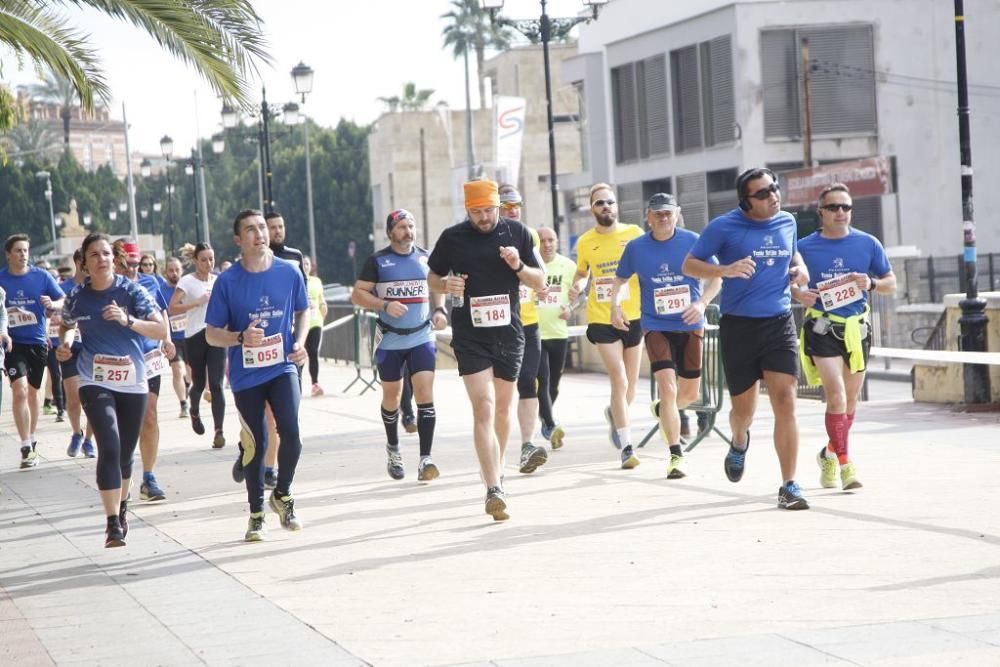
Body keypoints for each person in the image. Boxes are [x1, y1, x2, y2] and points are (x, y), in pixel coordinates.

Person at [683, 167, 812, 510]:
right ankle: (739, 440)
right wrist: (723, 270)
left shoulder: (787, 221)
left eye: (774, 188)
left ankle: (789, 485)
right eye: (763, 193)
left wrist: (801, 272)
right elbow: (690, 264)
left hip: (779, 323)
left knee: (785, 401)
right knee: (744, 412)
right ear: (745, 201)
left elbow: (794, 256)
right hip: (739, 327)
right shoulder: (723, 227)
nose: (773, 196)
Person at [427, 179, 545, 521]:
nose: (483, 218)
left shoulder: (519, 233)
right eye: (476, 212)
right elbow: (432, 277)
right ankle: (493, 487)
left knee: (504, 413)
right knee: (484, 407)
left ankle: (498, 467)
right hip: (470, 335)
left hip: (509, 333)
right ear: (467, 209)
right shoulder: (453, 237)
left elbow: (541, 280)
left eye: (489, 211)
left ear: (498, 207)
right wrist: (445, 285)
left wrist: (518, 267)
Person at [57, 233, 168, 547]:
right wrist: (65, 345)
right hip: (95, 379)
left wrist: (127, 319)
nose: (101, 259)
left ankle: (121, 509)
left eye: (106, 254)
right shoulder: (78, 296)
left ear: (114, 258)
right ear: (85, 263)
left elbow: (159, 328)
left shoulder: (131, 291)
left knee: (124, 454)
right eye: (94, 255)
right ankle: (111, 525)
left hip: (132, 381)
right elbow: (66, 325)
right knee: (109, 444)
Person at [205, 209, 309, 541]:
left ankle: (283, 493)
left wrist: (301, 342)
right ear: (239, 239)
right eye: (251, 230)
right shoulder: (228, 281)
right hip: (246, 374)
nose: (260, 234)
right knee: (256, 443)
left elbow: (303, 309)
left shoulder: (289, 272)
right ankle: (256, 513)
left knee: (291, 433)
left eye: (262, 228)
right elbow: (211, 333)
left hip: (282, 366)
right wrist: (238, 338)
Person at [793, 183, 896, 491]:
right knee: (835, 395)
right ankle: (846, 464)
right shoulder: (804, 247)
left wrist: (872, 283)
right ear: (820, 212)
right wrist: (798, 293)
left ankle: (828, 453)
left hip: (856, 329)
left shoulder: (868, 243)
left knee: (850, 401)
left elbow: (891, 282)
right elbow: (785, 281)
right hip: (823, 327)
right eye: (834, 207)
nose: (841, 212)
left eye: (846, 207)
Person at [611, 194, 721, 479]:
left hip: (689, 324)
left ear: (677, 214)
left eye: (668, 213)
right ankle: (675, 455)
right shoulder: (636, 248)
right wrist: (615, 306)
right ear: (648, 216)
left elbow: (717, 277)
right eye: (657, 213)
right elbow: (621, 279)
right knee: (668, 389)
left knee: (689, 393)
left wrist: (702, 304)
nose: (663, 218)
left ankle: (664, 410)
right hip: (655, 324)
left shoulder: (693, 241)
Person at [352, 208, 448, 481]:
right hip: (391, 338)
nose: (408, 231)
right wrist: (384, 304)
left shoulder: (426, 257)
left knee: (425, 392)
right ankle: (393, 448)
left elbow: (437, 287)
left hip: (422, 336)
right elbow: (357, 294)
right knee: (392, 396)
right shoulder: (378, 261)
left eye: (411, 225)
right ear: (390, 232)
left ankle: (425, 459)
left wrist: (439, 311)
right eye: (402, 227)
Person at [569, 184, 644, 468]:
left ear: (617, 206)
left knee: (632, 385)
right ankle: (627, 445)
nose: (606, 207)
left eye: (610, 202)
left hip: (632, 314)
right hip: (601, 317)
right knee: (619, 378)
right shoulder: (586, 241)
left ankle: (616, 414)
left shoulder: (634, 234)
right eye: (600, 203)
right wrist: (577, 286)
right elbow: (581, 272)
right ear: (592, 209)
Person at [1, 234, 65, 468]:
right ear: (8, 254)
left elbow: (63, 299)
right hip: (13, 344)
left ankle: (32, 436)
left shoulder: (42, 277)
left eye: (26, 250)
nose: (23, 254)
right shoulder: (1, 280)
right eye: (18, 250)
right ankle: (26, 444)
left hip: (37, 342)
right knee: (20, 389)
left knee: (33, 393)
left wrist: (53, 304)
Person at [116, 240, 173, 502]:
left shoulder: (150, 283)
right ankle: (119, 474)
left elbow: (162, 313)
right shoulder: (107, 287)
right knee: (122, 423)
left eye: (136, 264)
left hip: (149, 356)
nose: (132, 269)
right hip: (120, 359)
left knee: (149, 416)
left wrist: (167, 339)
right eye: (127, 264)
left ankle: (149, 477)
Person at [497, 184, 548, 474]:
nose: (513, 210)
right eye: (507, 206)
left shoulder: (528, 235)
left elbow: (540, 274)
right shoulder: (485, 236)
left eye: (517, 205)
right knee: (499, 391)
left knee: (529, 381)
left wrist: (539, 287)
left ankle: (527, 445)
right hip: (496, 324)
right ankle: (496, 450)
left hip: (527, 322)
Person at [169, 243, 226, 448]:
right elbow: (172, 308)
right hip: (194, 335)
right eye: (203, 259)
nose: (208, 263)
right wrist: (198, 302)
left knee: (217, 384)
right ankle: (194, 410)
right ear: (195, 261)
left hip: (216, 334)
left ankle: (218, 431)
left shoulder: (218, 280)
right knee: (200, 383)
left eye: (211, 259)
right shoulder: (187, 281)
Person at [534, 226, 576, 449]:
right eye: (542, 241)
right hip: (535, 333)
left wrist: (571, 309)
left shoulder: (568, 266)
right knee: (543, 380)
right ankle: (550, 424)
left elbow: (577, 292)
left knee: (554, 384)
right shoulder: (529, 267)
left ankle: (544, 415)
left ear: (557, 242)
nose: (547, 244)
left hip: (559, 332)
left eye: (551, 240)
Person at [59, 249, 96, 458]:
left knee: (91, 397)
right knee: (73, 398)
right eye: (83, 260)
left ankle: (89, 440)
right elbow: (59, 313)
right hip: (69, 349)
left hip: (92, 349)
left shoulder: (96, 288)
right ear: (77, 262)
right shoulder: (65, 288)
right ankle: (76, 433)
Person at [160, 256, 192, 418]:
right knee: (177, 371)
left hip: (191, 336)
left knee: (190, 373)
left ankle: (187, 386)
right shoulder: (161, 290)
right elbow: (160, 314)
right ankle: (183, 404)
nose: (174, 273)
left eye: (177, 270)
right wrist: (165, 339)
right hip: (174, 339)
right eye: (171, 270)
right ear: (165, 272)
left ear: (182, 270)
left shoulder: (188, 287)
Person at [302, 255, 328, 396]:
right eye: (303, 264)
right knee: (299, 353)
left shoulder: (316, 281)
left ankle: (315, 384)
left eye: (307, 264)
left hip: (315, 321)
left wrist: (323, 305)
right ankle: (296, 383)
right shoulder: (296, 280)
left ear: (310, 266)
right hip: (300, 322)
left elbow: (321, 299)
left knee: (313, 352)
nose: (305, 266)